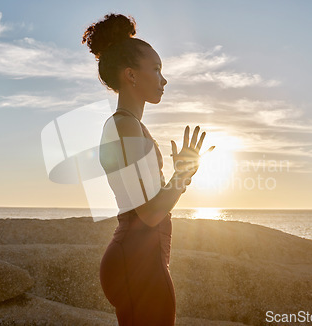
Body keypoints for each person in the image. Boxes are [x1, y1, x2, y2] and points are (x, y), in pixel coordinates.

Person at [82, 13, 214, 325]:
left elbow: (151, 206)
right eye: (156, 70)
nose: (163, 79)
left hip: (138, 260)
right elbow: (149, 214)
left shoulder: (130, 125)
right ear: (130, 75)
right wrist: (181, 176)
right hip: (137, 263)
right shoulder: (126, 125)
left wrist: (182, 175)